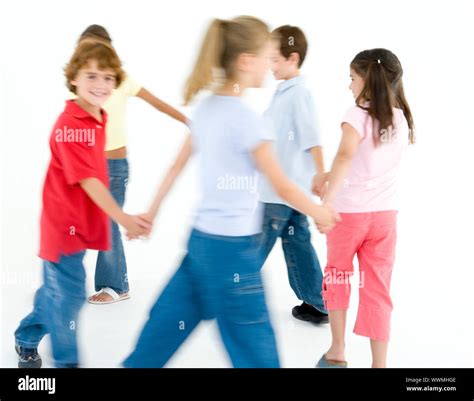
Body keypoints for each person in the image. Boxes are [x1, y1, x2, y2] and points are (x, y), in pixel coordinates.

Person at [123, 16, 338, 368]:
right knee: (258, 353)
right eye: (266, 56)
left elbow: (176, 167)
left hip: (199, 247)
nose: (270, 66)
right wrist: (319, 213)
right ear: (245, 61)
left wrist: (150, 213)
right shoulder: (248, 120)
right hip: (233, 256)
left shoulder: (207, 109)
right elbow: (282, 184)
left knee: (156, 339)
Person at [14, 39, 151, 368]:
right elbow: (89, 180)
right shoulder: (71, 126)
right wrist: (124, 217)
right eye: (91, 76)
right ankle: (66, 362)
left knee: (56, 291)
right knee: (71, 296)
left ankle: (26, 337)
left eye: (107, 77)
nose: (101, 84)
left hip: (80, 224)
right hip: (63, 227)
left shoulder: (98, 117)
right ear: (74, 77)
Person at [74, 25, 189, 305]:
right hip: (85, 166)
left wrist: (188, 121)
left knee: (108, 222)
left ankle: (114, 285)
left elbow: (157, 103)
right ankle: (63, 283)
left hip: (113, 167)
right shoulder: (83, 82)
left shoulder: (121, 80)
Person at [316, 48, 414, 368]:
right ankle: (379, 364)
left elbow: (347, 156)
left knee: (339, 277)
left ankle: (338, 351)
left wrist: (327, 201)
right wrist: (330, 175)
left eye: (352, 78)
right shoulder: (400, 119)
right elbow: (369, 163)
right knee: (377, 288)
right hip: (385, 218)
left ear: (368, 80)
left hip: (348, 215)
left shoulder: (356, 114)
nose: (349, 86)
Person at [259, 25, 329, 324]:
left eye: (275, 59)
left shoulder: (298, 94)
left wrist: (321, 174)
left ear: (293, 58)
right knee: (297, 243)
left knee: (254, 244)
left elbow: (312, 138)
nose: (270, 66)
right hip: (288, 190)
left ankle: (230, 295)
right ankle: (319, 303)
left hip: (281, 191)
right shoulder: (284, 92)